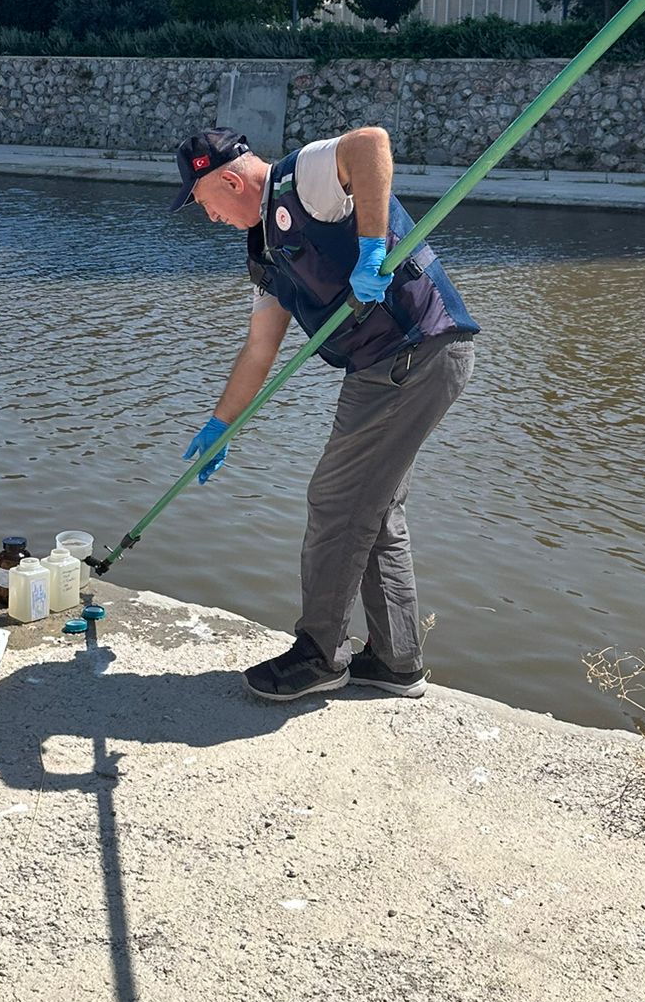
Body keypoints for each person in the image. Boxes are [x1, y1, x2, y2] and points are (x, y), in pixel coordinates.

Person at [171, 124, 477, 704]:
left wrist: (371, 247)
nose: (208, 218)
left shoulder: (303, 178)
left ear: (230, 179)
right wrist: (220, 426)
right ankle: (394, 660)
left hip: (414, 353)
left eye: (203, 203)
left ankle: (321, 655)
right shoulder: (264, 252)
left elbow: (371, 144)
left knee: (336, 502)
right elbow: (260, 348)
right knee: (372, 509)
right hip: (383, 368)